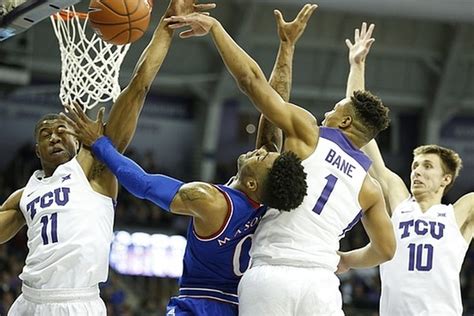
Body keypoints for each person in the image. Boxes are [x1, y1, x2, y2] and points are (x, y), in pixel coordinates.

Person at [60, 6, 313, 316]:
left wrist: (98, 143)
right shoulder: (267, 199)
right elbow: (275, 107)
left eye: (263, 157)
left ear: (251, 183)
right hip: (240, 307)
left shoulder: (210, 200)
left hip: (199, 306)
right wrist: (286, 47)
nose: (262, 150)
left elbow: (144, 184)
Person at [165, 10, 396, 315]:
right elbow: (386, 250)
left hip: (271, 275)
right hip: (321, 284)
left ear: (345, 121)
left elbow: (251, 81)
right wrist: (348, 260)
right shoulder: (370, 188)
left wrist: (217, 28)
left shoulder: (309, 133)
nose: (327, 114)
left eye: (334, 110)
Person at [0, 0, 215, 314]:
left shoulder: (96, 167)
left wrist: (165, 29)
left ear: (80, 137)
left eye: (62, 129)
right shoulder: (23, 195)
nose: (54, 136)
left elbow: (139, 86)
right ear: (36, 149)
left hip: (76, 304)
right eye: (45, 134)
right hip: (27, 302)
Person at [362, 133, 472, 315]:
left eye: (427, 166)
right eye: (415, 166)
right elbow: (373, 158)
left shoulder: (459, 213)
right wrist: (357, 117)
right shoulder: (399, 203)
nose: (417, 171)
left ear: (446, 178)